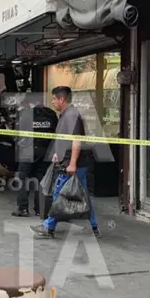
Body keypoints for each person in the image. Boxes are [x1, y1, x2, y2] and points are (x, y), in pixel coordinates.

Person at [31, 86, 100, 238]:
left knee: (58, 195)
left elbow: (76, 141)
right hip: (69, 161)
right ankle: (94, 227)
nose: (53, 102)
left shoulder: (71, 115)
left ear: (62, 99)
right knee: (84, 196)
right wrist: (57, 153)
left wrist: (72, 163)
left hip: (71, 163)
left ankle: (49, 227)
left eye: (54, 99)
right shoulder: (65, 114)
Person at [13, 93, 58, 217]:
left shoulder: (25, 114)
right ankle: (40, 209)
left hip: (27, 151)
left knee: (23, 179)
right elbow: (56, 133)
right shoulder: (51, 114)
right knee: (41, 180)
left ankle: (22, 208)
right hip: (45, 151)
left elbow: (18, 134)